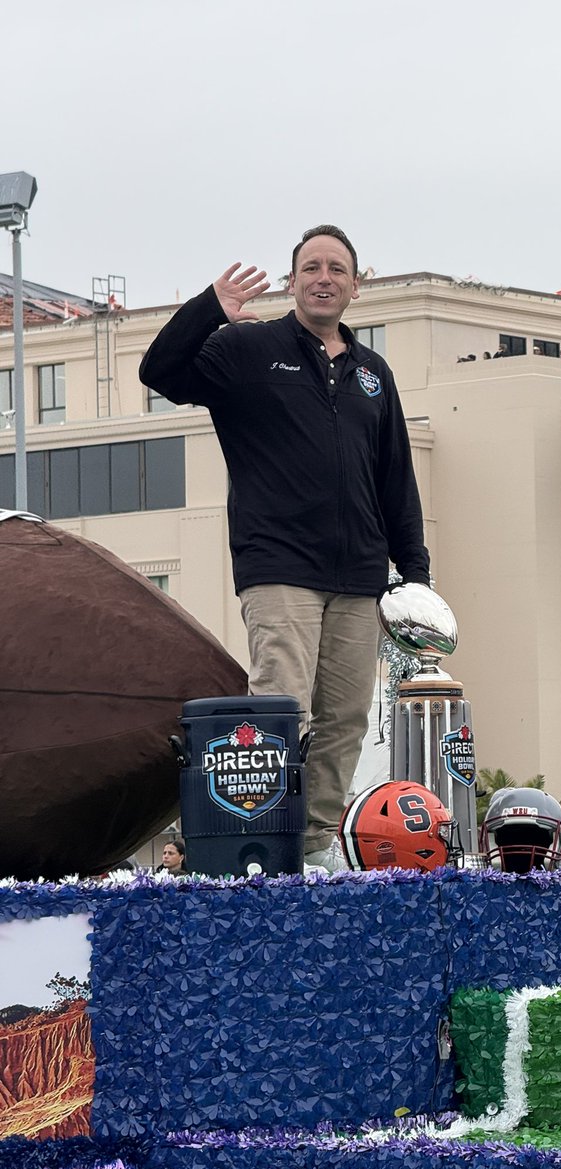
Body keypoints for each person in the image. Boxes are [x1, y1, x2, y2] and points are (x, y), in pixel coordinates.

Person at [139, 225, 431, 874]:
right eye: (311, 267)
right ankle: (262, 852)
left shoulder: (373, 375)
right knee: (280, 712)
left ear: (357, 285)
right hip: (278, 569)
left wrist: (415, 577)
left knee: (346, 719)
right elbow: (159, 371)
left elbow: (395, 480)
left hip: (360, 578)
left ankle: (313, 847)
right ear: (292, 280)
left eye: (336, 268)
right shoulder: (249, 348)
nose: (323, 277)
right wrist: (209, 310)